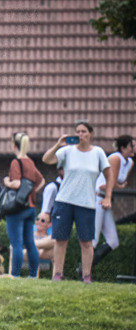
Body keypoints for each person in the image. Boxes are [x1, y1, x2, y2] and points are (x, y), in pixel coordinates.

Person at [41, 120, 113, 282]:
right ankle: (58, 274)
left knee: (86, 241)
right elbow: (47, 159)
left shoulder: (98, 153)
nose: (80, 135)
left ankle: (86, 275)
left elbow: (109, 175)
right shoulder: (67, 151)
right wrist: (58, 145)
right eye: (78, 132)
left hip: (86, 203)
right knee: (60, 239)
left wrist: (107, 196)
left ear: (90, 134)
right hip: (64, 201)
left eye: (84, 132)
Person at [2, 134, 46, 278]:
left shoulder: (16, 162)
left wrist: (7, 181)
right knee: (30, 243)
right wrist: (30, 194)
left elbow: (17, 183)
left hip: (17, 208)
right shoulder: (30, 162)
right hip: (30, 208)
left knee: (16, 244)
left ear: (14, 145)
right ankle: (33, 275)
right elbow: (41, 181)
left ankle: (15, 275)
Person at [91, 134, 134, 268]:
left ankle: (85, 268)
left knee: (113, 241)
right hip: (99, 197)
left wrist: (118, 185)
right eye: (131, 146)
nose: (134, 148)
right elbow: (112, 182)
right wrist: (119, 186)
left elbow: (119, 183)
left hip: (107, 199)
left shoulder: (130, 162)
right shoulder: (115, 158)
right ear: (123, 147)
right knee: (94, 239)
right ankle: (84, 272)